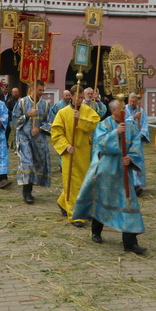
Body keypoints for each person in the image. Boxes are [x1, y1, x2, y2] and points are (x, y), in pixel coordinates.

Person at [72, 99, 147, 255]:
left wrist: (131, 158)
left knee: (129, 204)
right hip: (107, 170)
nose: (124, 112)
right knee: (102, 200)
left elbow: (135, 144)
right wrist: (116, 133)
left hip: (123, 171)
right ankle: (96, 232)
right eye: (121, 109)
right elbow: (100, 144)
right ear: (114, 111)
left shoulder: (130, 126)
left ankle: (130, 242)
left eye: (124, 109)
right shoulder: (104, 124)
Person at [50, 88, 101, 226]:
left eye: (82, 97)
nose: (79, 100)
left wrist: (80, 120)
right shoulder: (63, 113)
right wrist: (66, 146)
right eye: (77, 97)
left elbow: (95, 123)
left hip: (84, 151)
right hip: (69, 153)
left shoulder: (87, 110)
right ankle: (75, 214)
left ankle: (62, 201)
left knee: (83, 181)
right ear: (71, 96)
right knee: (72, 182)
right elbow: (56, 132)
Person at [13, 81, 54, 204]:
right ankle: (27, 192)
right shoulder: (22, 102)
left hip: (38, 139)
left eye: (43, 90)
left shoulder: (46, 104)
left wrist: (40, 129)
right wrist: (27, 115)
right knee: (27, 163)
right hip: (24, 137)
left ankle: (33, 185)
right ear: (32, 88)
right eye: (39, 90)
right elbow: (15, 120)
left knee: (38, 163)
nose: (41, 93)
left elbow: (50, 122)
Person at [124, 93, 149, 197]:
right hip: (127, 140)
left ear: (137, 101)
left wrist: (142, 135)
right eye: (131, 101)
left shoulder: (141, 111)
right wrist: (133, 117)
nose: (132, 103)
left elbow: (145, 124)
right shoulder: (124, 109)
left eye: (134, 101)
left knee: (137, 160)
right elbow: (122, 122)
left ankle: (137, 184)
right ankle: (130, 184)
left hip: (137, 141)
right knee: (128, 160)